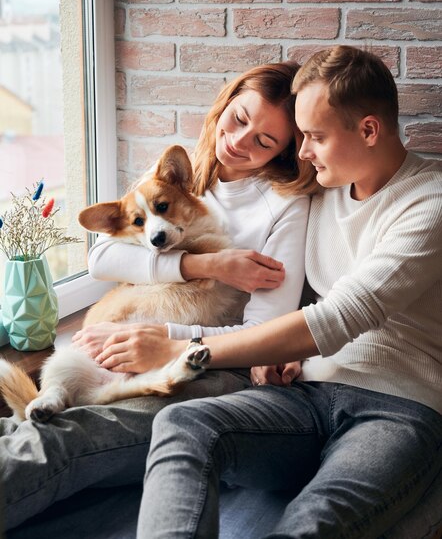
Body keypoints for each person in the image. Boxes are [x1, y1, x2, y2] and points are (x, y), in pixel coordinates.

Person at [99, 45, 441, 538]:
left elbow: (344, 315)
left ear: (368, 130)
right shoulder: (322, 191)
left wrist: (183, 347)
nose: (300, 153)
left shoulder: (430, 202)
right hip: (304, 394)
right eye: (300, 137)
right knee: (181, 426)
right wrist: (287, 351)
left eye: (315, 137)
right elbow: (107, 255)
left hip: (397, 406)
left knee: (313, 522)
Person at [1, 61, 318, 531]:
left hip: (212, 363)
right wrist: (202, 264)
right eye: (239, 118)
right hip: (123, 344)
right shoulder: (177, 176)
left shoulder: (287, 207)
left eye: (264, 140)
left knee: (65, 437)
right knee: (32, 424)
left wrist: (167, 339)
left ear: (288, 149)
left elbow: (264, 335)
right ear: (224, 105)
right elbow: (103, 258)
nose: (239, 141)